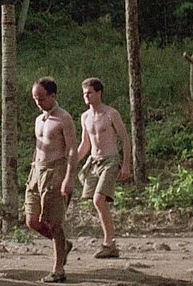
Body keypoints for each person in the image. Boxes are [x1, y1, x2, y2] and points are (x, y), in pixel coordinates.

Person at [26, 76, 77, 283]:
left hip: (55, 170)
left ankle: (58, 269)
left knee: (54, 221)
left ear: (52, 96)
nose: (38, 102)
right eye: (35, 98)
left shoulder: (64, 118)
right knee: (32, 220)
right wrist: (33, 168)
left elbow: (72, 149)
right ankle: (64, 246)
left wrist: (69, 178)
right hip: (37, 171)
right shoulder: (39, 119)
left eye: (41, 98)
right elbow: (38, 146)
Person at [76, 78, 132, 259]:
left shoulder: (111, 114)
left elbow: (125, 139)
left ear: (99, 93)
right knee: (98, 202)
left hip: (110, 160)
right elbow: (85, 144)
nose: (86, 96)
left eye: (90, 93)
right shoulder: (85, 117)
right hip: (94, 161)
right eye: (84, 93)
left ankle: (109, 243)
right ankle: (110, 243)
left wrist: (126, 164)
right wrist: (71, 163)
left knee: (99, 200)